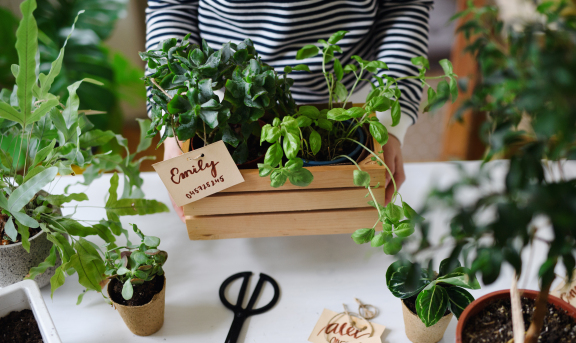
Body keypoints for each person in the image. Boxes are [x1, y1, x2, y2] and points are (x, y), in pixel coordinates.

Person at [145, 0, 432, 222]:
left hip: (351, 94)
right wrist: (177, 123)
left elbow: (406, 6)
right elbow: (171, 6)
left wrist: (390, 124)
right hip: (217, 102)